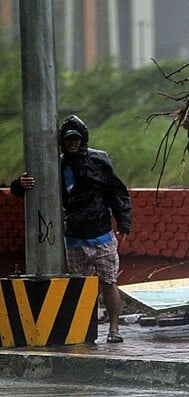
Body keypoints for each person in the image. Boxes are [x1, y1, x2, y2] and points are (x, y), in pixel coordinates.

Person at [10, 115, 132, 343]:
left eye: (76, 139)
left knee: (108, 282)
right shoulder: (54, 164)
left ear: (82, 139)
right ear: (62, 142)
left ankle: (114, 329)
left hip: (101, 234)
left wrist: (124, 222)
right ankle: (83, 329)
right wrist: (20, 183)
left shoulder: (99, 160)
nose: (73, 143)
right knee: (80, 286)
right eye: (69, 140)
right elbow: (24, 187)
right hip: (74, 236)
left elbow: (117, 191)